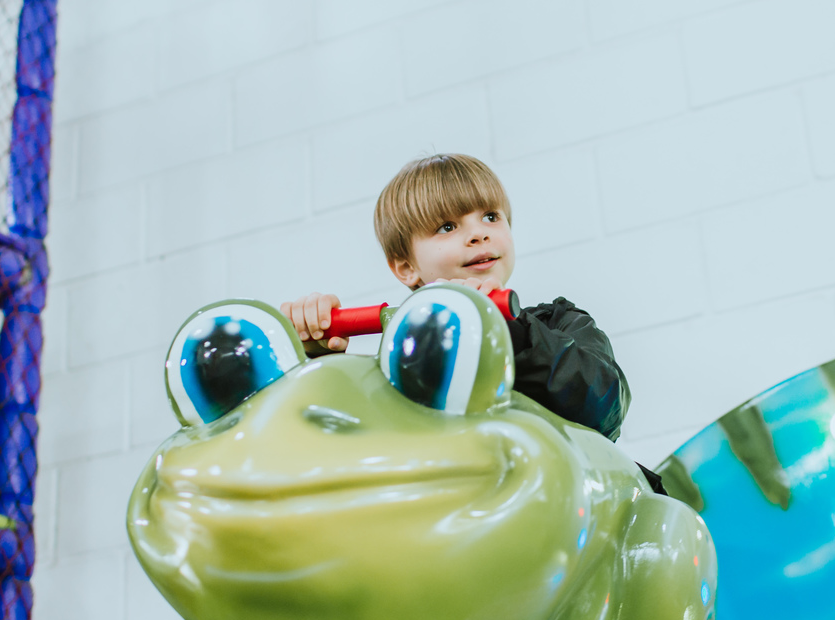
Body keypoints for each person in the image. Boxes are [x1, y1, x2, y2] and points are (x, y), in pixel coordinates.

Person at [280, 153, 665, 491]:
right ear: (405, 266)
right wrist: (312, 361)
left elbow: (603, 405)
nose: (479, 233)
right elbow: (344, 451)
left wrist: (508, 331)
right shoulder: (393, 365)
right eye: (447, 227)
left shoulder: (558, 323)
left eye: (491, 217)